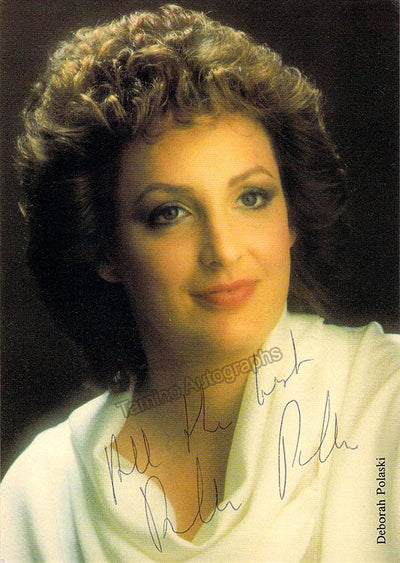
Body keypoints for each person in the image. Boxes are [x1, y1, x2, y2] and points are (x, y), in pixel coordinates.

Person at [1, 4, 399, 561]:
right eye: (169, 213)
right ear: (106, 250)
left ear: (290, 218)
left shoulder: (386, 398)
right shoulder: (40, 497)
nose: (224, 251)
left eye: (251, 198)